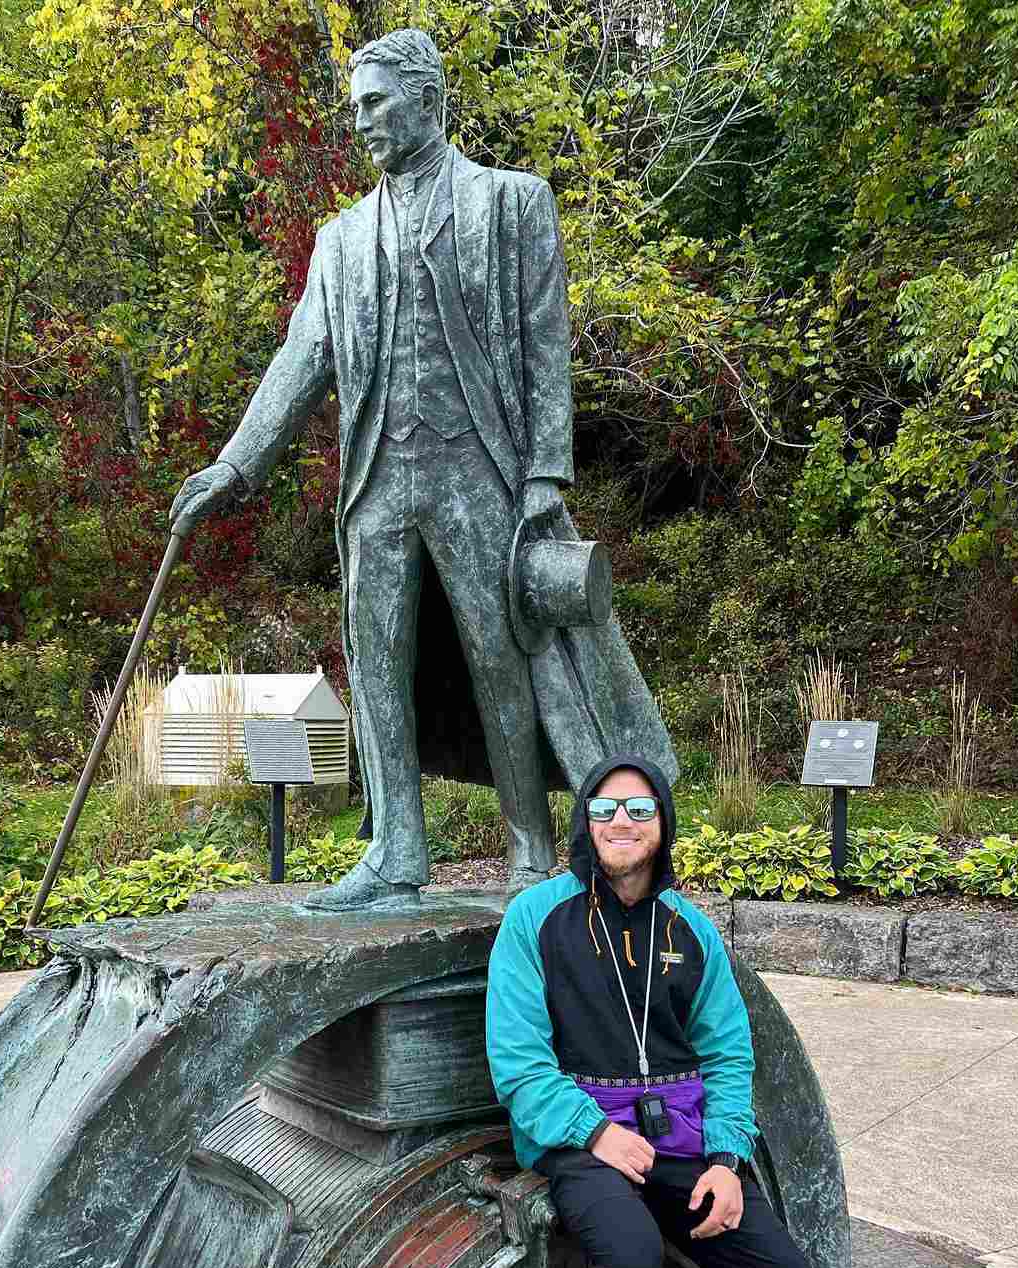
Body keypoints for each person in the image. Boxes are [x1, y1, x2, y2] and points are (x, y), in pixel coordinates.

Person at [167, 29, 673, 909]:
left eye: (375, 102)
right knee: (376, 661)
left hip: (477, 472)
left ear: (427, 97)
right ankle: (398, 846)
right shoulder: (341, 239)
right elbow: (302, 358)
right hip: (373, 484)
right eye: (355, 104)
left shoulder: (511, 205)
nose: (359, 120)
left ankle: (527, 853)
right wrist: (233, 467)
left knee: (500, 658)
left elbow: (547, 345)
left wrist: (546, 474)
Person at [485, 755, 913, 1268]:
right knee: (630, 1254)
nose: (620, 823)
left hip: (686, 1148)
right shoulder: (535, 920)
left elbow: (727, 1054)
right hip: (587, 1147)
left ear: (662, 823)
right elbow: (517, 1058)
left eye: (638, 809)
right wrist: (590, 1130)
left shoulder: (689, 928)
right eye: (604, 809)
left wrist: (726, 1158)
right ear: (585, 822)